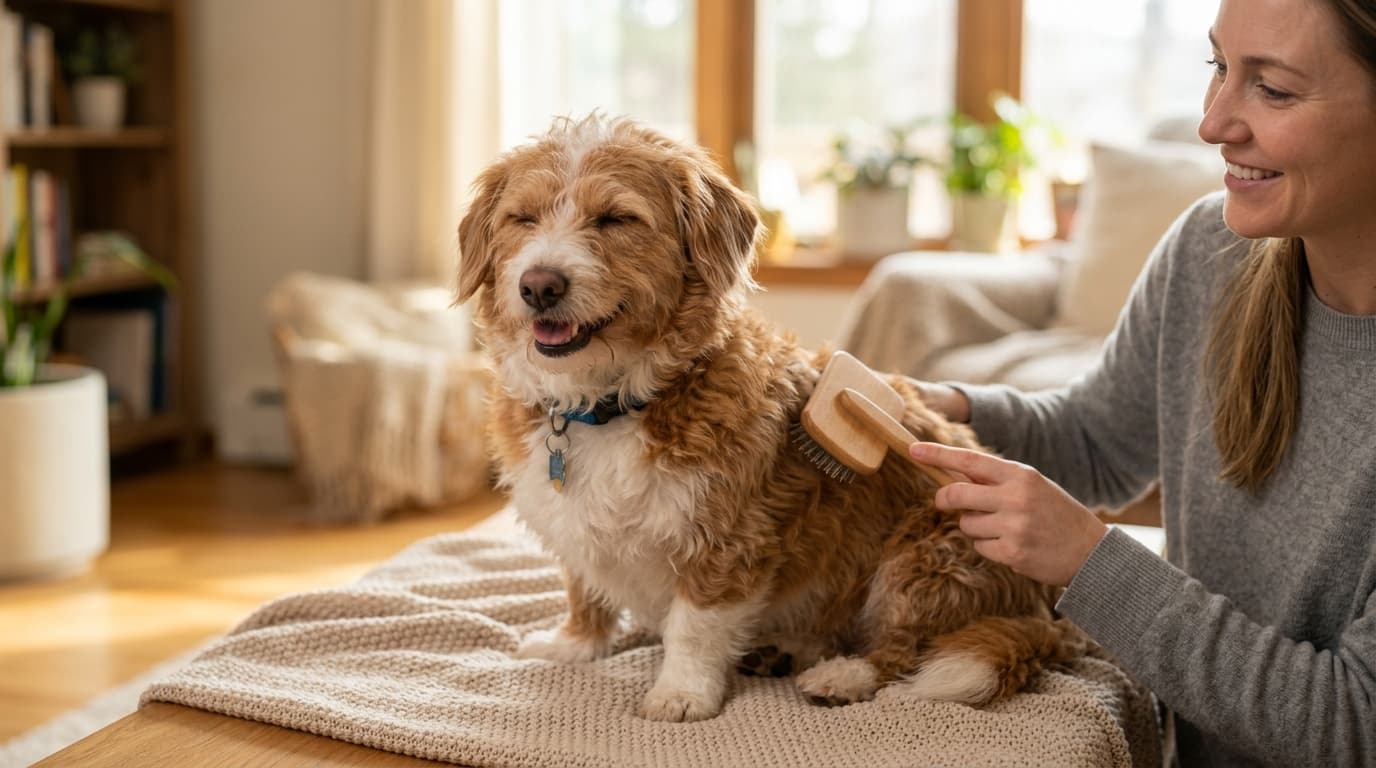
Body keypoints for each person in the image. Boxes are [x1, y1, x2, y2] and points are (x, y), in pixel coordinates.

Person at [906, 0, 1376, 765]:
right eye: (1219, 67)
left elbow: (1354, 723)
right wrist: (937, 411)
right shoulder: (1209, 251)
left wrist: (1092, 563)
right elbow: (1096, 439)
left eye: (1275, 89)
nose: (1214, 122)